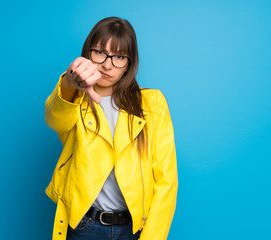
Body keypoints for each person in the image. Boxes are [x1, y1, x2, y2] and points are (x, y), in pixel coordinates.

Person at [44, 17, 178, 240]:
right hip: (84, 226)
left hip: (134, 229)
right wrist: (69, 83)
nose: (107, 64)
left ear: (129, 62)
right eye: (100, 53)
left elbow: (166, 181)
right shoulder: (74, 98)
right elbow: (54, 119)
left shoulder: (152, 103)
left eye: (118, 57)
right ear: (87, 53)